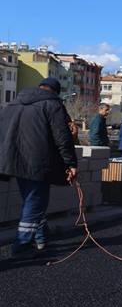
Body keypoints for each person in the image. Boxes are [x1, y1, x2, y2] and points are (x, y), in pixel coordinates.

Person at [0, 77, 77, 258]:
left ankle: (41, 239)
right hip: (38, 162)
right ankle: (21, 246)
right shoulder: (53, 105)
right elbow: (62, 137)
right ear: (55, 91)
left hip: (14, 160)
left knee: (32, 201)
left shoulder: (13, 104)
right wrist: (71, 163)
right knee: (35, 202)